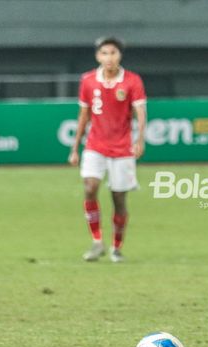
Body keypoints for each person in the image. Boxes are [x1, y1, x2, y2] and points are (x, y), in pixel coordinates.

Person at [68, 36, 147, 263]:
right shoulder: (88, 80)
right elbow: (84, 115)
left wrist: (139, 139)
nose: (109, 57)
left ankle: (116, 247)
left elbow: (140, 112)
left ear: (119, 55)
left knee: (118, 199)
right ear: (98, 56)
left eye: (113, 53)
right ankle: (96, 242)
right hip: (95, 145)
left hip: (122, 148)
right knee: (90, 186)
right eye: (104, 53)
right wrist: (75, 147)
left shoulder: (132, 81)